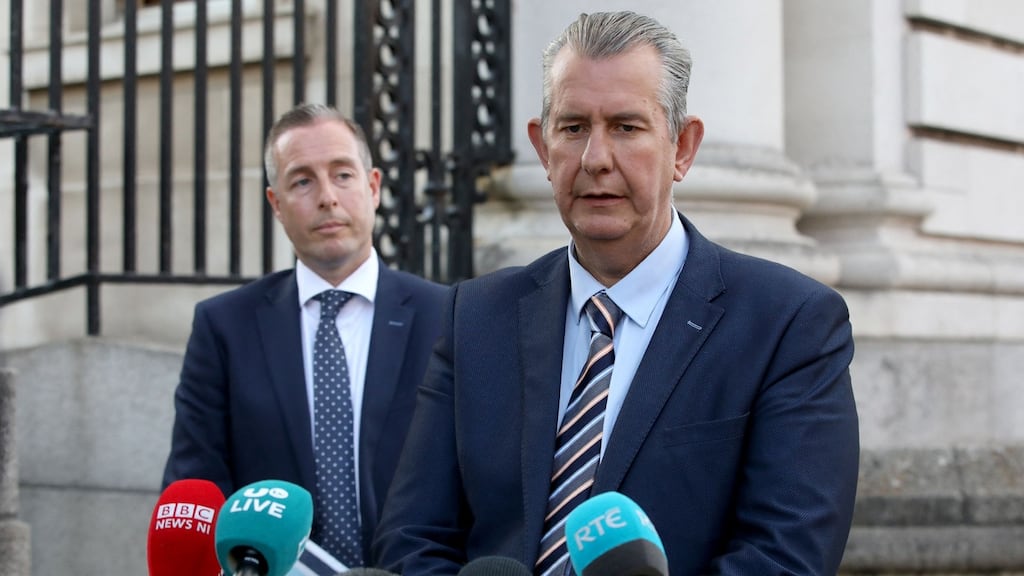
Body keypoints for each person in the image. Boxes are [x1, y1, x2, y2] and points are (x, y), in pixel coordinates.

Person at [373, 11, 859, 576]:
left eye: (626, 127)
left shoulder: (788, 323)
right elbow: (412, 538)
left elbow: (786, 556)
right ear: (542, 146)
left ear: (683, 147)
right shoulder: (475, 316)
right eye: (574, 127)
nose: (595, 159)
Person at [163, 103, 447, 567]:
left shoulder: (446, 317)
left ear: (373, 187)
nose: (327, 197)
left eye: (342, 175)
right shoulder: (224, 328)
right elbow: (197, 484)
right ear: (276, 203)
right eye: (302, 180)